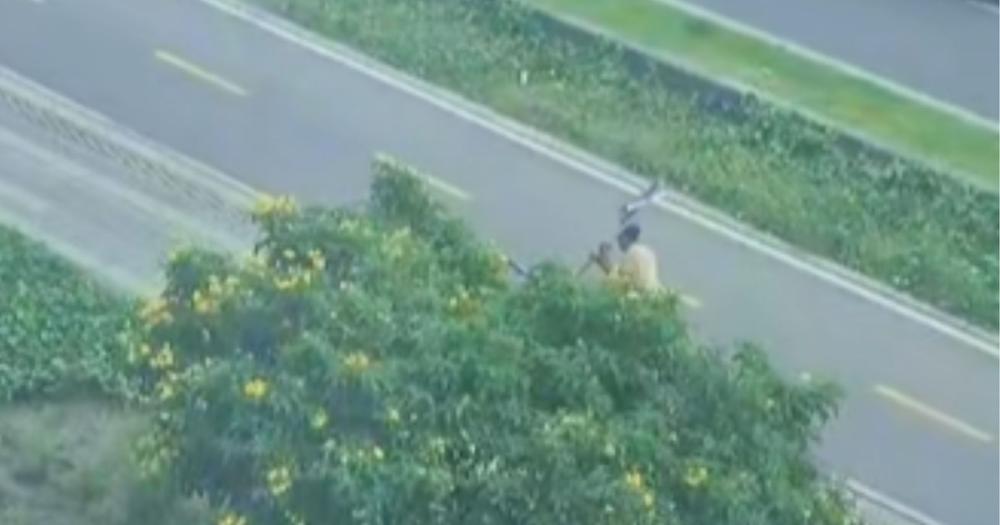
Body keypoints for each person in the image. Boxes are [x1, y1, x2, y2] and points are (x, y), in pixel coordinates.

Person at [591, 223, 661, 292]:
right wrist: (601, 260)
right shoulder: (647, 251)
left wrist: (603, 256)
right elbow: (619, 272)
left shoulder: (632, 253)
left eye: (620, 238)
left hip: (640, 293)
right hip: (652, 292)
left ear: (626, 238)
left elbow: (617, 278)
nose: (618, 242)